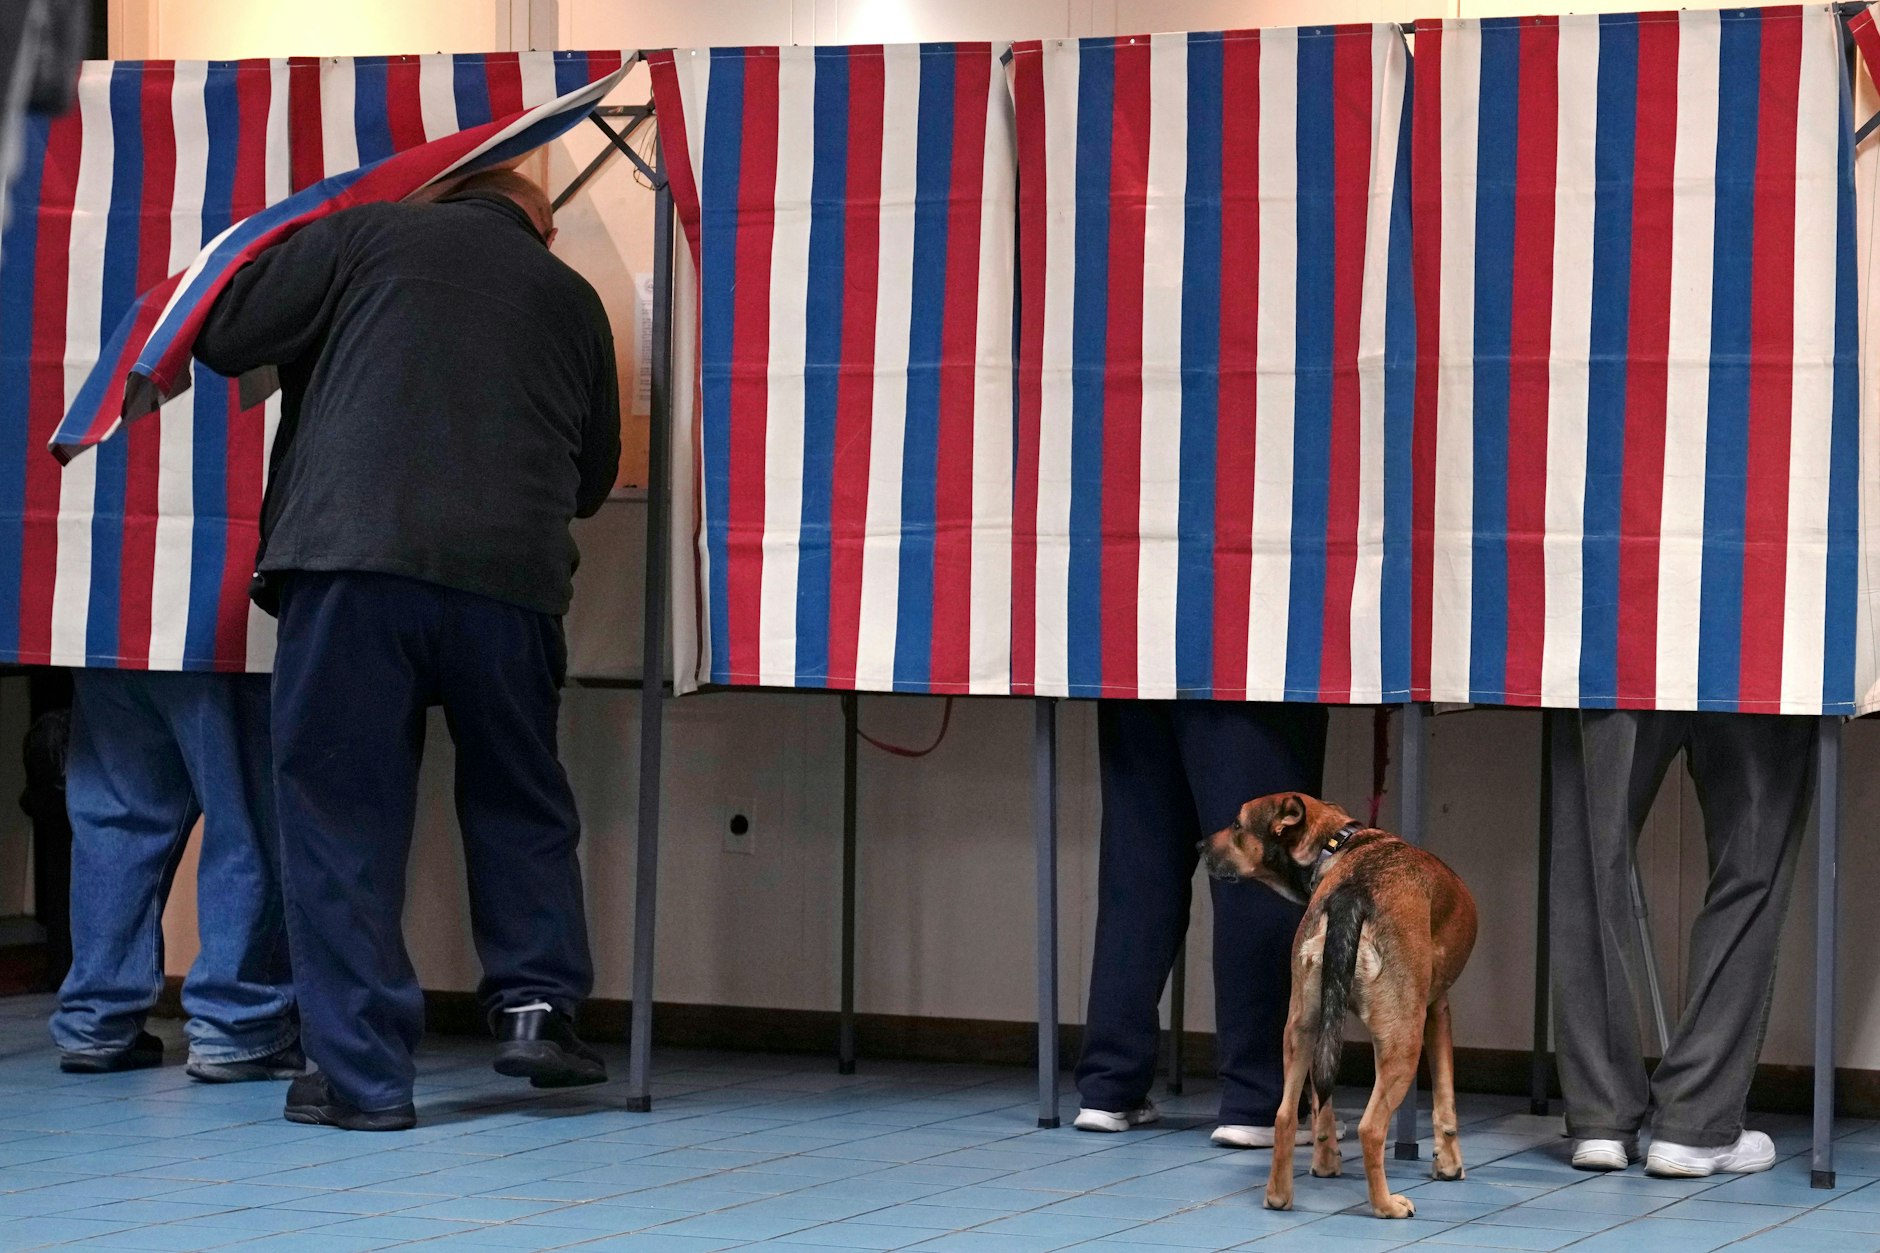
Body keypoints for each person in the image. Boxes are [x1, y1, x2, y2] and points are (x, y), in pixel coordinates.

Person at [194, 167, 621, 1131]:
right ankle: (536, 1008)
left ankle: (364, 1078)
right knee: (520, 792)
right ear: (539, 230)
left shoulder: (367, 236)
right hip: (510, 582)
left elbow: (225, 334)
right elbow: (593, 479)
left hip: (354, 559)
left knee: (342, 807)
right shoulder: (573, 296)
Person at [1550, 710, 1811, 1178]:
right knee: (1751, 866)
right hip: (1755, 642)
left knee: (1589, 856)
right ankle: (1695, 1121)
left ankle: (1601, 1118)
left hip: (1616, 643)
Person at [1074, 700, 1330, 1149]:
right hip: (1247, 659)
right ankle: (1260, 1099)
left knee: (1137, 877)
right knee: (1260, 872)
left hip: (1137, 653)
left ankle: (1108, 1087)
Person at [50, 670, 299, 1084]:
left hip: (103, 622)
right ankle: (237, 1023)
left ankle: (96, 1020)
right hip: (215, 628)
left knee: (118, 821)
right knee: (244, 817)